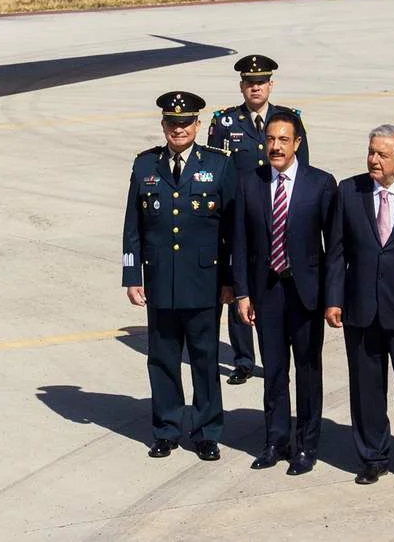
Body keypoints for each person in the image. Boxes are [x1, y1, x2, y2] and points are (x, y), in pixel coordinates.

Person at [122, 90, 237, 461]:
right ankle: (167, 429)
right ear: (163, 125)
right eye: (172, 123)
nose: (179, 128)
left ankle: (206, 432)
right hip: (159, 281)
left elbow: (232, 230)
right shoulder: (145, 166)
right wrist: (131, 275)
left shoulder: (219, 165)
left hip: (205, 282)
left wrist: (231, 280)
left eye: (186, 122)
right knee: (162, 359)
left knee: (204, 359)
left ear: (198, 125)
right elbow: (133, 227)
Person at [325, 125, 394, 487]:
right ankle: (373, 456)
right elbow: (337, 250)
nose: (374, 159)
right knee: (366, 387)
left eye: (382, 155)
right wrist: (333, 299)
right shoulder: (349, 190)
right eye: (371, 151)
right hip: (361, 307)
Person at [231, 109, 336, 474]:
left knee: (308, 370)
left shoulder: (320, 183)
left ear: (297, 144)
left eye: (283, 140)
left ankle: (307, 445)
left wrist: (332, 298)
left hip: (306, 293)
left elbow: (334, 248)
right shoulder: (249, 182)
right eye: (271, 139)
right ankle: (276, 440)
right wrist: (243, 293)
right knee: (274, 370)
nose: (275, 147)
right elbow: (240, 244)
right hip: (268, 292)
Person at [207, 54, 310, 386]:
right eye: (250, 84)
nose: (256, 88)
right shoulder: (224, 123)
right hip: (239, 215)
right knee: (241, 281)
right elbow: (216, 172)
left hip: (276, 214)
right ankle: (242, 359)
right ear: (241, 87)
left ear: (270, 85)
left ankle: (276, 355)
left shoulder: (288, 121)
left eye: (261, 83)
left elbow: (302, 169)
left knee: (274, 283)